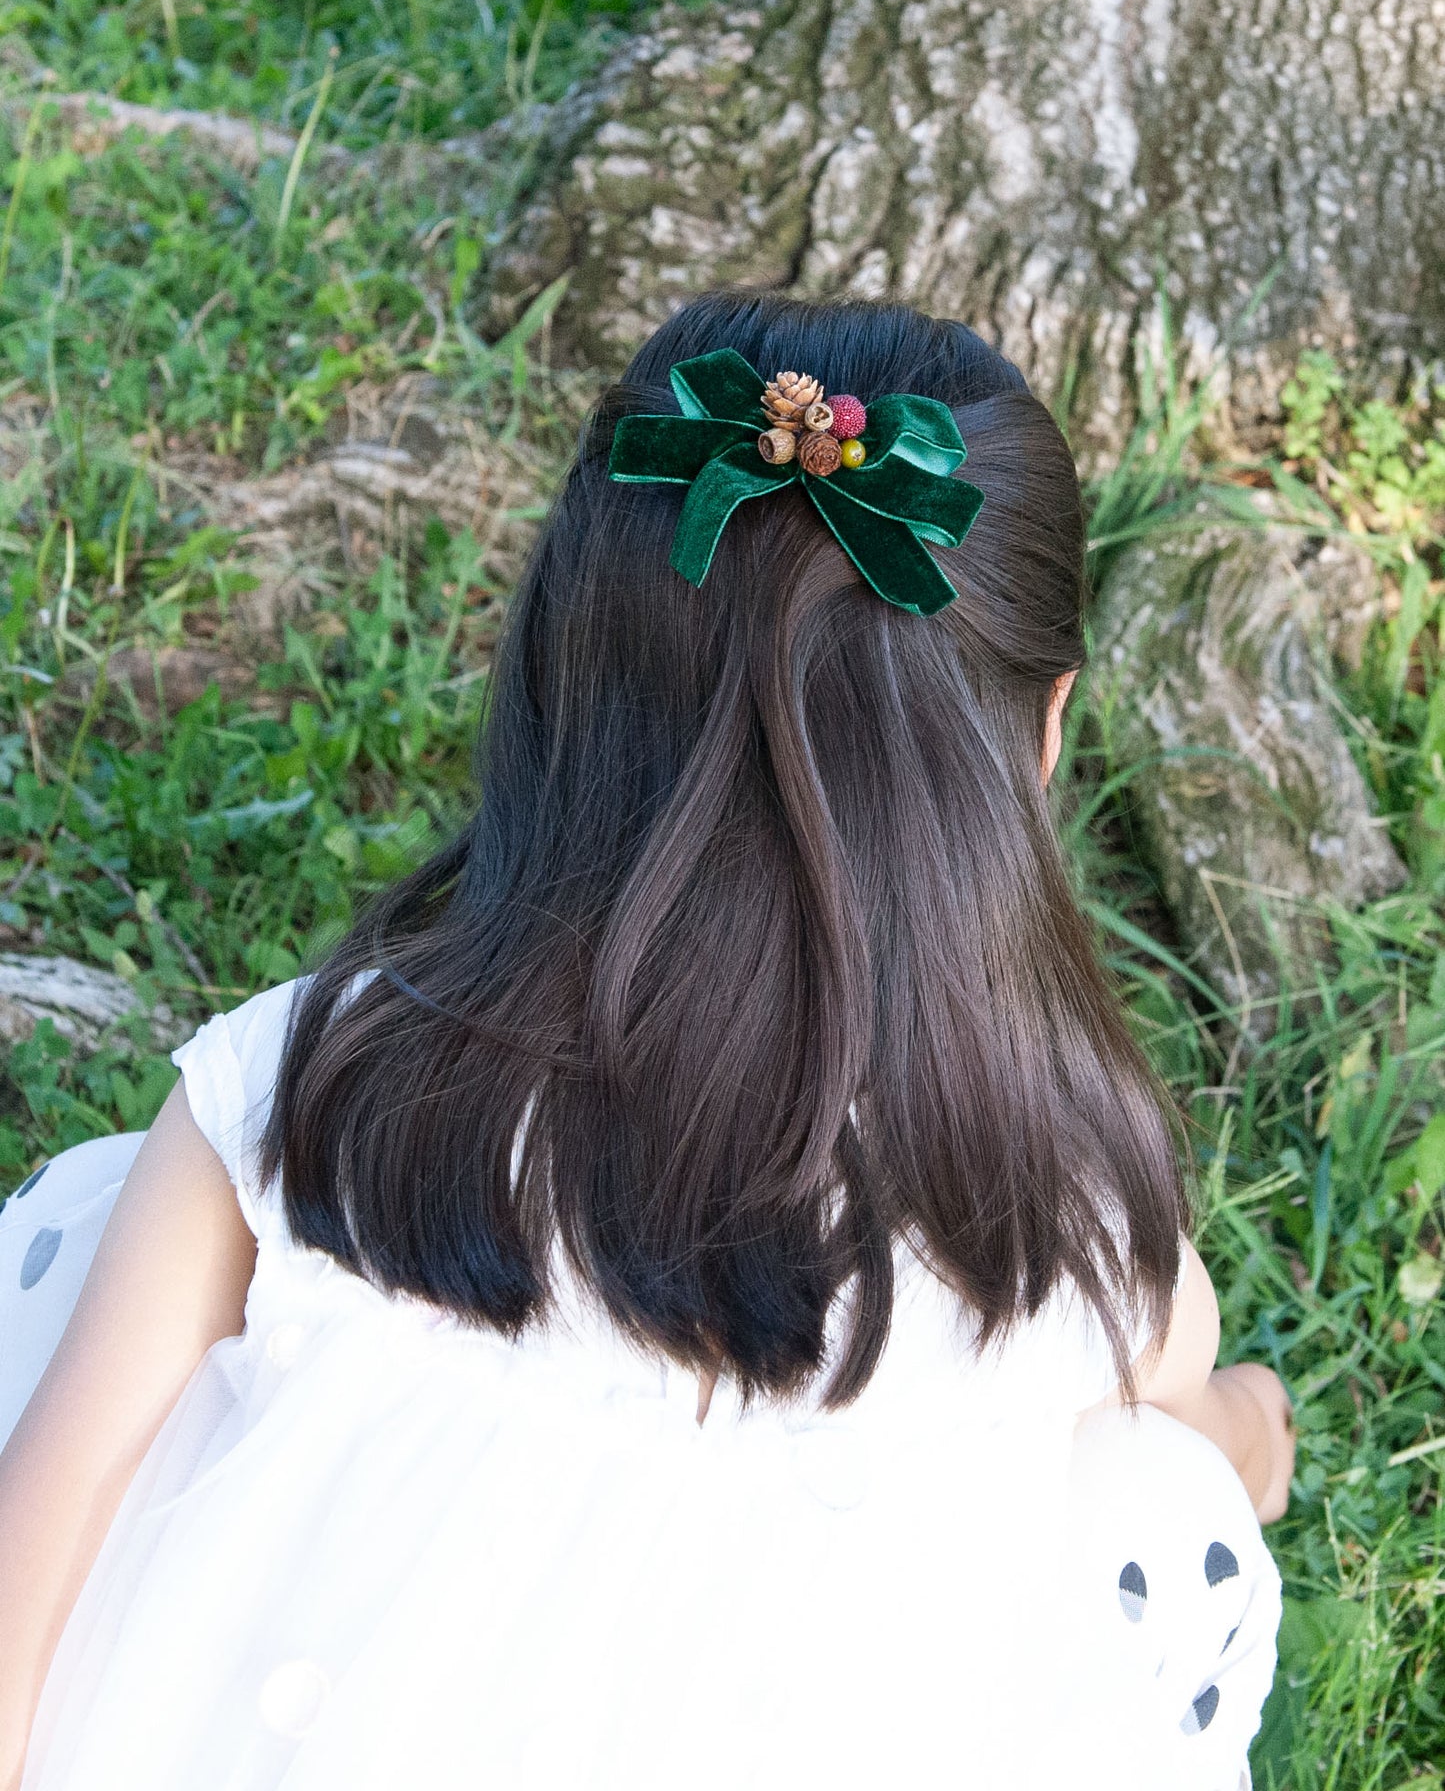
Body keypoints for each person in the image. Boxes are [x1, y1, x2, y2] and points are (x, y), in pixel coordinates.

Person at [0, 294, 1294, 1791]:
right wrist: (1242, 1430)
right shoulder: (1049, 1230)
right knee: (1151, 1497)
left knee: (106, 1248)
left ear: (561, 669)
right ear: (1044, 730)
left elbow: (41, 1558)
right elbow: (1197, 1408)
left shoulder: (322, 1085)